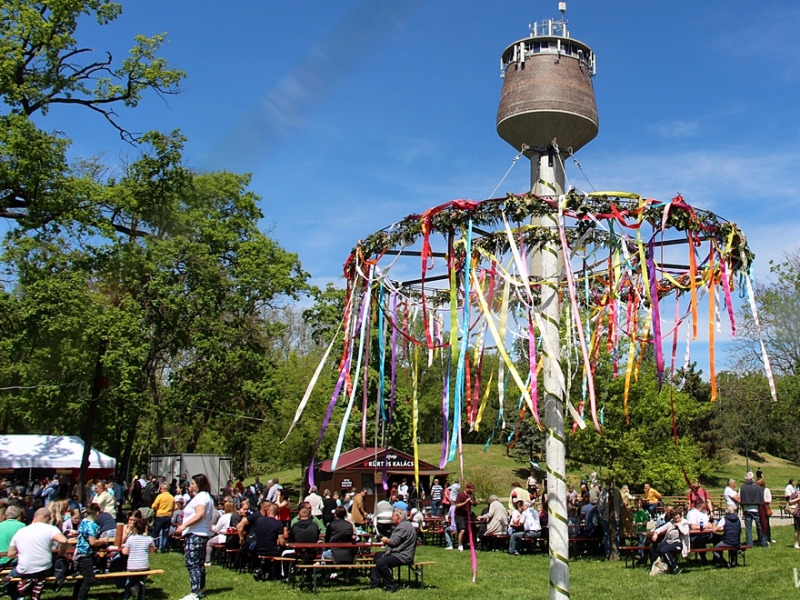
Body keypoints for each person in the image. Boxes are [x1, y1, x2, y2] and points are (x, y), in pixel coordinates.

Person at [4, 508, 69, 600]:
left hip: (25, 569)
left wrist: (21, 554)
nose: (50, 520)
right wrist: (61, 553)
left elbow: (10, 554)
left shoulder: (21, 531)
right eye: (49, 518)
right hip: (45, 569)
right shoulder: (51, 529)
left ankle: (18, 597)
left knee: (8, 580)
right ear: (44, 517)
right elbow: (64, 540)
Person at [175, 473, 215, 600]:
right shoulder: (206, 496)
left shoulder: (201, 497)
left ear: (199, 485)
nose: (190, 486)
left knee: (192, 563)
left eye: (193, 484)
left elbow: (200, 514)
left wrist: (184, 525)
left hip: (195, 534)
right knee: (199, 563)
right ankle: (200, 589)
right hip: (200, 533)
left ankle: (195, 592)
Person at [370, 508, 416, 593]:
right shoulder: (405, 525)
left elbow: (393, 542)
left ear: (398, 517)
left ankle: (391, 585)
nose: (391, 518)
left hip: (403, 555)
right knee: (377, 556)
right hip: (398, 552)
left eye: (392, 516)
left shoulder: (403, 526)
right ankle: (375, 582)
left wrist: (385, 540)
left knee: (381, 562)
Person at [121, 517, 155, 600]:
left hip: (132, 566)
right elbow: (151, 551)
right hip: (143, 566)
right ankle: (138, 586)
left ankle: (128, 594)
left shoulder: (131, 539)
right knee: (141, 578)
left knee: (131, 580)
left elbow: (124, 552)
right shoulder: (149, 539)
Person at [649, 507, 689, 576]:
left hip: (679, 543)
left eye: (677, 515)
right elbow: (661, 529)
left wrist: (679, 525)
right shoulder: (671, 523)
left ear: (680, 515)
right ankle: (656, 566)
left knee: (664, 550)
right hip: (669, 542)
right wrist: (656, 534)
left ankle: (675, 567)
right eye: (674, 516)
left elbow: (685, 532)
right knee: (654, 548)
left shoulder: (684, 522)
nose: (676, 517)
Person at [204, 501, 235, 567]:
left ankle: (207, 561)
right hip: (234, 538)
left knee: (209, 542)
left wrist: (213, 527)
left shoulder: (224, 517)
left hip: (223, 537)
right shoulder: (235, 516)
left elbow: (216, 529)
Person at [739, 471, 764, 547]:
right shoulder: (758, 487)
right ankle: (761, 540)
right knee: (759, 526)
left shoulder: (742, 487)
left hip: (746, 508)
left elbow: (740, 498)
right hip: (756, 508)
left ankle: (749, 543)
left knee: (748, 528)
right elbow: (761, 498)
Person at [151, 483, 174, 553]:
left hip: (160, 516)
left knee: (156, 533)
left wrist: (157, 508)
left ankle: (156, 547)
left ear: (163, 489)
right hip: (168, 516)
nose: (160, 490)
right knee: (165, 534)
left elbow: (154, 506)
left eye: (160, 489)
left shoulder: (160, 496)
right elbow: (173, 507)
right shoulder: (172, 497)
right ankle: (163, 549)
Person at [454, 482, 477, 552]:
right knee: (462, 530)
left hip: (467, 514)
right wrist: (465, 502)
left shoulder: (471, 495)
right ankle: (460, 545)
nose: (471, 492)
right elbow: (457, 505)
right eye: (470, 490)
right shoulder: (461, 495)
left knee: (473, 528)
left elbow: (475, 504)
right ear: (467, 489)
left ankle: (473, 544)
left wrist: (473, 502)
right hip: (459, 515)